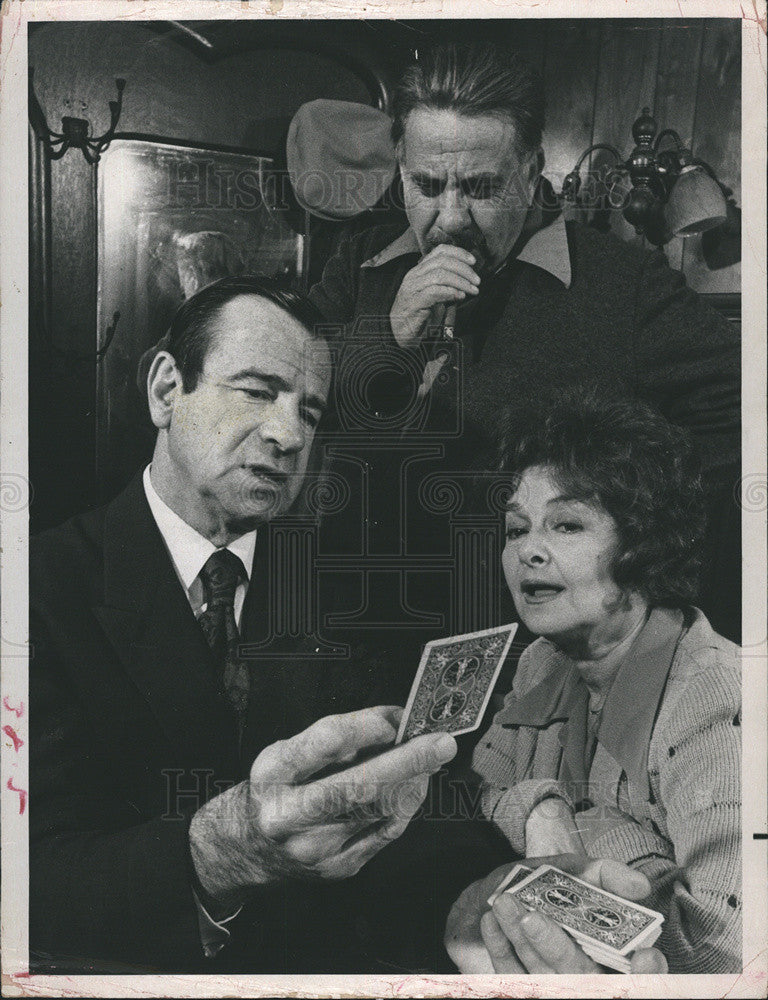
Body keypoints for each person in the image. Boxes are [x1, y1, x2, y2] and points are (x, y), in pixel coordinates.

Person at [29, 276, 460, 974]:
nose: (288, 435)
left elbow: (402, 816)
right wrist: (219, 852)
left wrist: (483, 890)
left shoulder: (344, 590)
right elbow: (26, 880)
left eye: (310, 411)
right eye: (257, 391)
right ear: (167, 390)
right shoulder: (35, 590)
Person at [308, 41, 741, 642]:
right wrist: (385, 336)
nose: (452, 217)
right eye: (427, 184)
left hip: (530, 654)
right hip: (357, 625)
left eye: (482, 188)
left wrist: (623, 511)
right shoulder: (360, 262)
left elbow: (745, 415)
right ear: (401, 164)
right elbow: (292, 405)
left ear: (530, 170)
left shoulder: (623, 286)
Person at [446, 391, 741, 974]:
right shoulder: (540, 662)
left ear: (641, 542)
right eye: (515, 529)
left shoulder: (719, 696)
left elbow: (723, 949)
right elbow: (480, 789)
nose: (529, 550)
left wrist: (586, 840)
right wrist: (541, 811)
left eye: (567, 525)